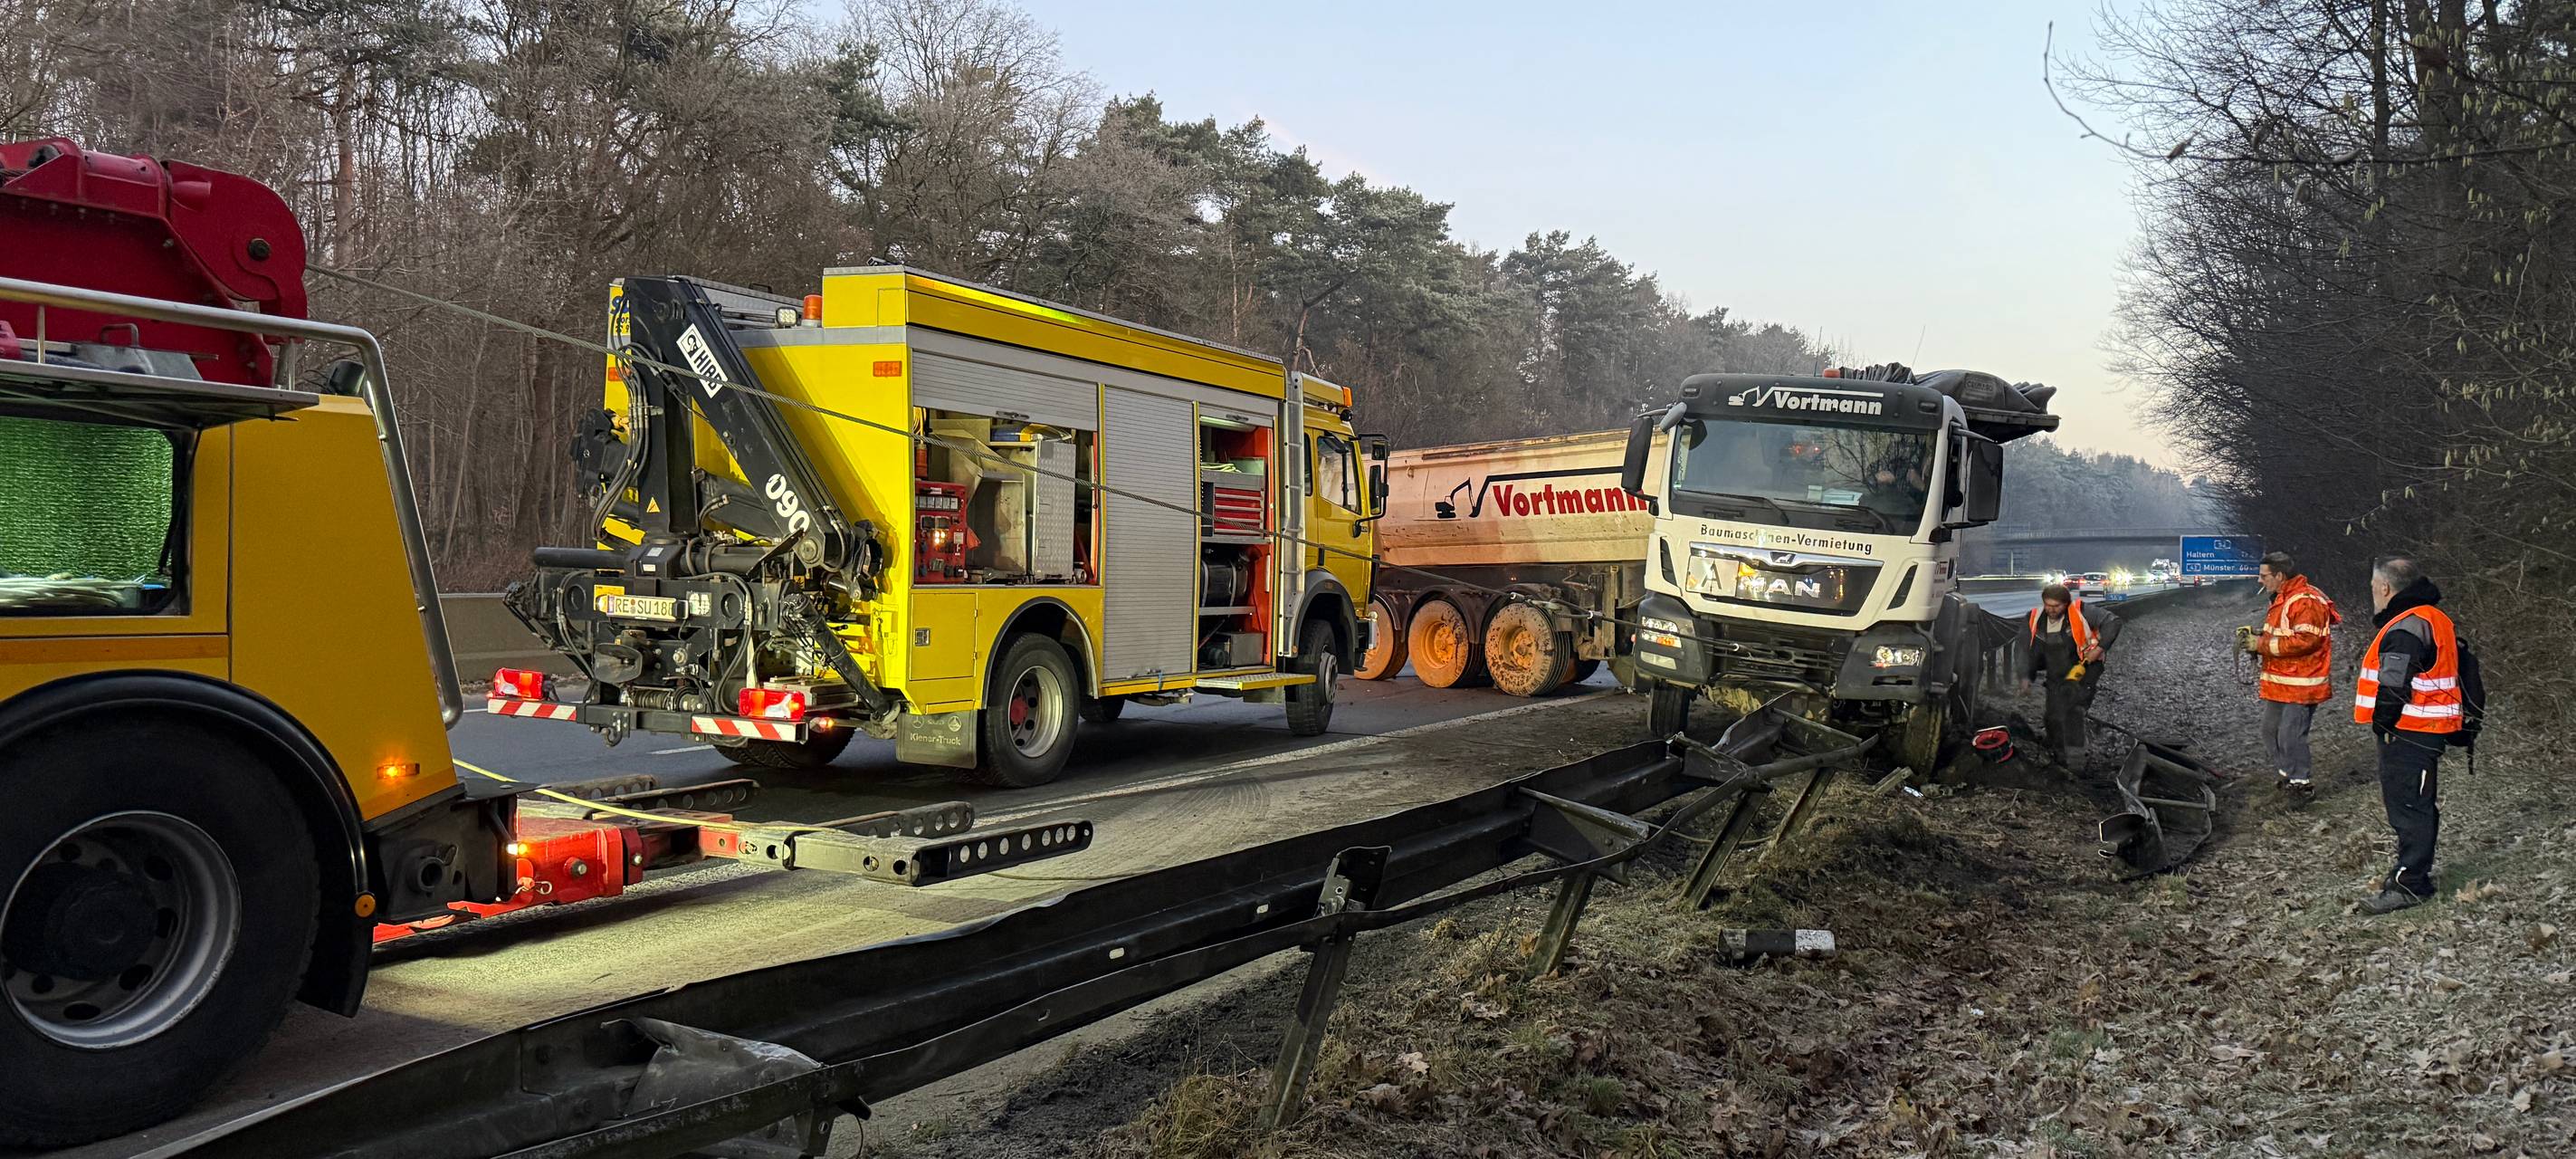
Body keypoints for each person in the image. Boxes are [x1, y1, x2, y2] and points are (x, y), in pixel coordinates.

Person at [2353, 556, 2462, 915]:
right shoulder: (2431, 617)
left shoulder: (2406, 626)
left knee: (2409, 808)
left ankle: (2410, 884)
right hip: (2425, 729)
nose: (2372, 593)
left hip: (2410, 731)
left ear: (2385, 588)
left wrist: (2383, 724)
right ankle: (2408, 874)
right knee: (2415, 804)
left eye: (2372, 587)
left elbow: (2393, 685)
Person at [2243, 551, 2339, 790]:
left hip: (2302, 683)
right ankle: (2288, 775)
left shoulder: (2305, 601)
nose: (2259, 580)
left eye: (2264, 576)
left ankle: (2301, 784)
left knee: (2291, 735)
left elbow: (2307, 640)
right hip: (2282, 682)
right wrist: (2257, 638)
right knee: (2271, 731)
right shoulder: (2283, 599)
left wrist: (2261, 644)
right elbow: (2283, 636)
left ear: (2280, 575)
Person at [2021, 582, 2120, 765]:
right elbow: (2030, 651)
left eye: (2056, 606)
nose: (2051, 610)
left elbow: (2113, 623)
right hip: (2056, 671)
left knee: (2074, 709)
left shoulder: (2081, 611)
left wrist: (2098, 650)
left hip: (2085, 667)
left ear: (2066, 604)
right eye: (2048, 605)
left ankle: (2077, 760)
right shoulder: (2036, 618)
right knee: (2052, 714)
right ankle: (2056, 753)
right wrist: (2027, 676)